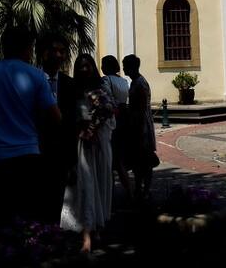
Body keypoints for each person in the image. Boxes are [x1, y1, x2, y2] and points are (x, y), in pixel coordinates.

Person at [0, 27, 60, 224]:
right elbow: (55, 117)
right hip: (27, 154)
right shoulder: (36, 75)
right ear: (28, 48)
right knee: (26, 219)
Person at [60, 55, 116, 253]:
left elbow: (108, 110)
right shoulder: (74, 90)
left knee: (100, 185)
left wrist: (92, 127)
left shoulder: (100, 88)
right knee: (86, 187)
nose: (84, 69)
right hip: (82, 146)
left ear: (93, 67)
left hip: (98, 145)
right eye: (80, 66)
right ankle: (86, 233)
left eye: (87, 66)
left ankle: (97, 227)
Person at [37, 35, 77, 224]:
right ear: (44, 54)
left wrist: (73, 161)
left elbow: (72, 124)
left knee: (57, 202)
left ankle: (53, 234)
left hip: (61, 156)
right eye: (55, 51)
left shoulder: (70, 84)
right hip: (36, 153)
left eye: (63, 51)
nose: (60, 55)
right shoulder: (31, 81)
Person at [122, 54, 157, 202]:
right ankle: (138, 188)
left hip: (142, 127)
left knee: (146, 160)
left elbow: (141, 109)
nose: (123, 69)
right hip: (137, 124)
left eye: (125, 66)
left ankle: (146, 190)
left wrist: (139, 129)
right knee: (138, 160)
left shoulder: (140, 84)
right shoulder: (136, 82)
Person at [99, 55, 132, 197]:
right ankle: (128, 190)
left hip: (113, 119)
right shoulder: (124, 81)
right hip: (124, 118)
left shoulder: (105, 80)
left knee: (113, 160)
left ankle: (114, 192)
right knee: (119, 158)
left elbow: (108, 99)